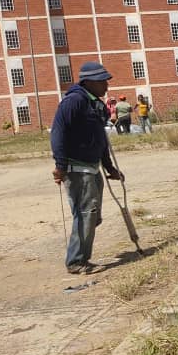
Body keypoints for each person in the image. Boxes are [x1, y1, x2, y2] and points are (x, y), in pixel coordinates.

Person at [50, 62, 124, 274]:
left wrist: (109, 167)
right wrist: (61, 166)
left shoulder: (95, 104)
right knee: (85, 214)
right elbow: (58, 133)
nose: (106, 86)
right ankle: (76, 262)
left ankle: (80, 255)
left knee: (92, 216)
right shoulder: (74, 101)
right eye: (102, 82)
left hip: (92, 168)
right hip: (77, 169)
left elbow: (101, 140)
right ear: (89, 82)